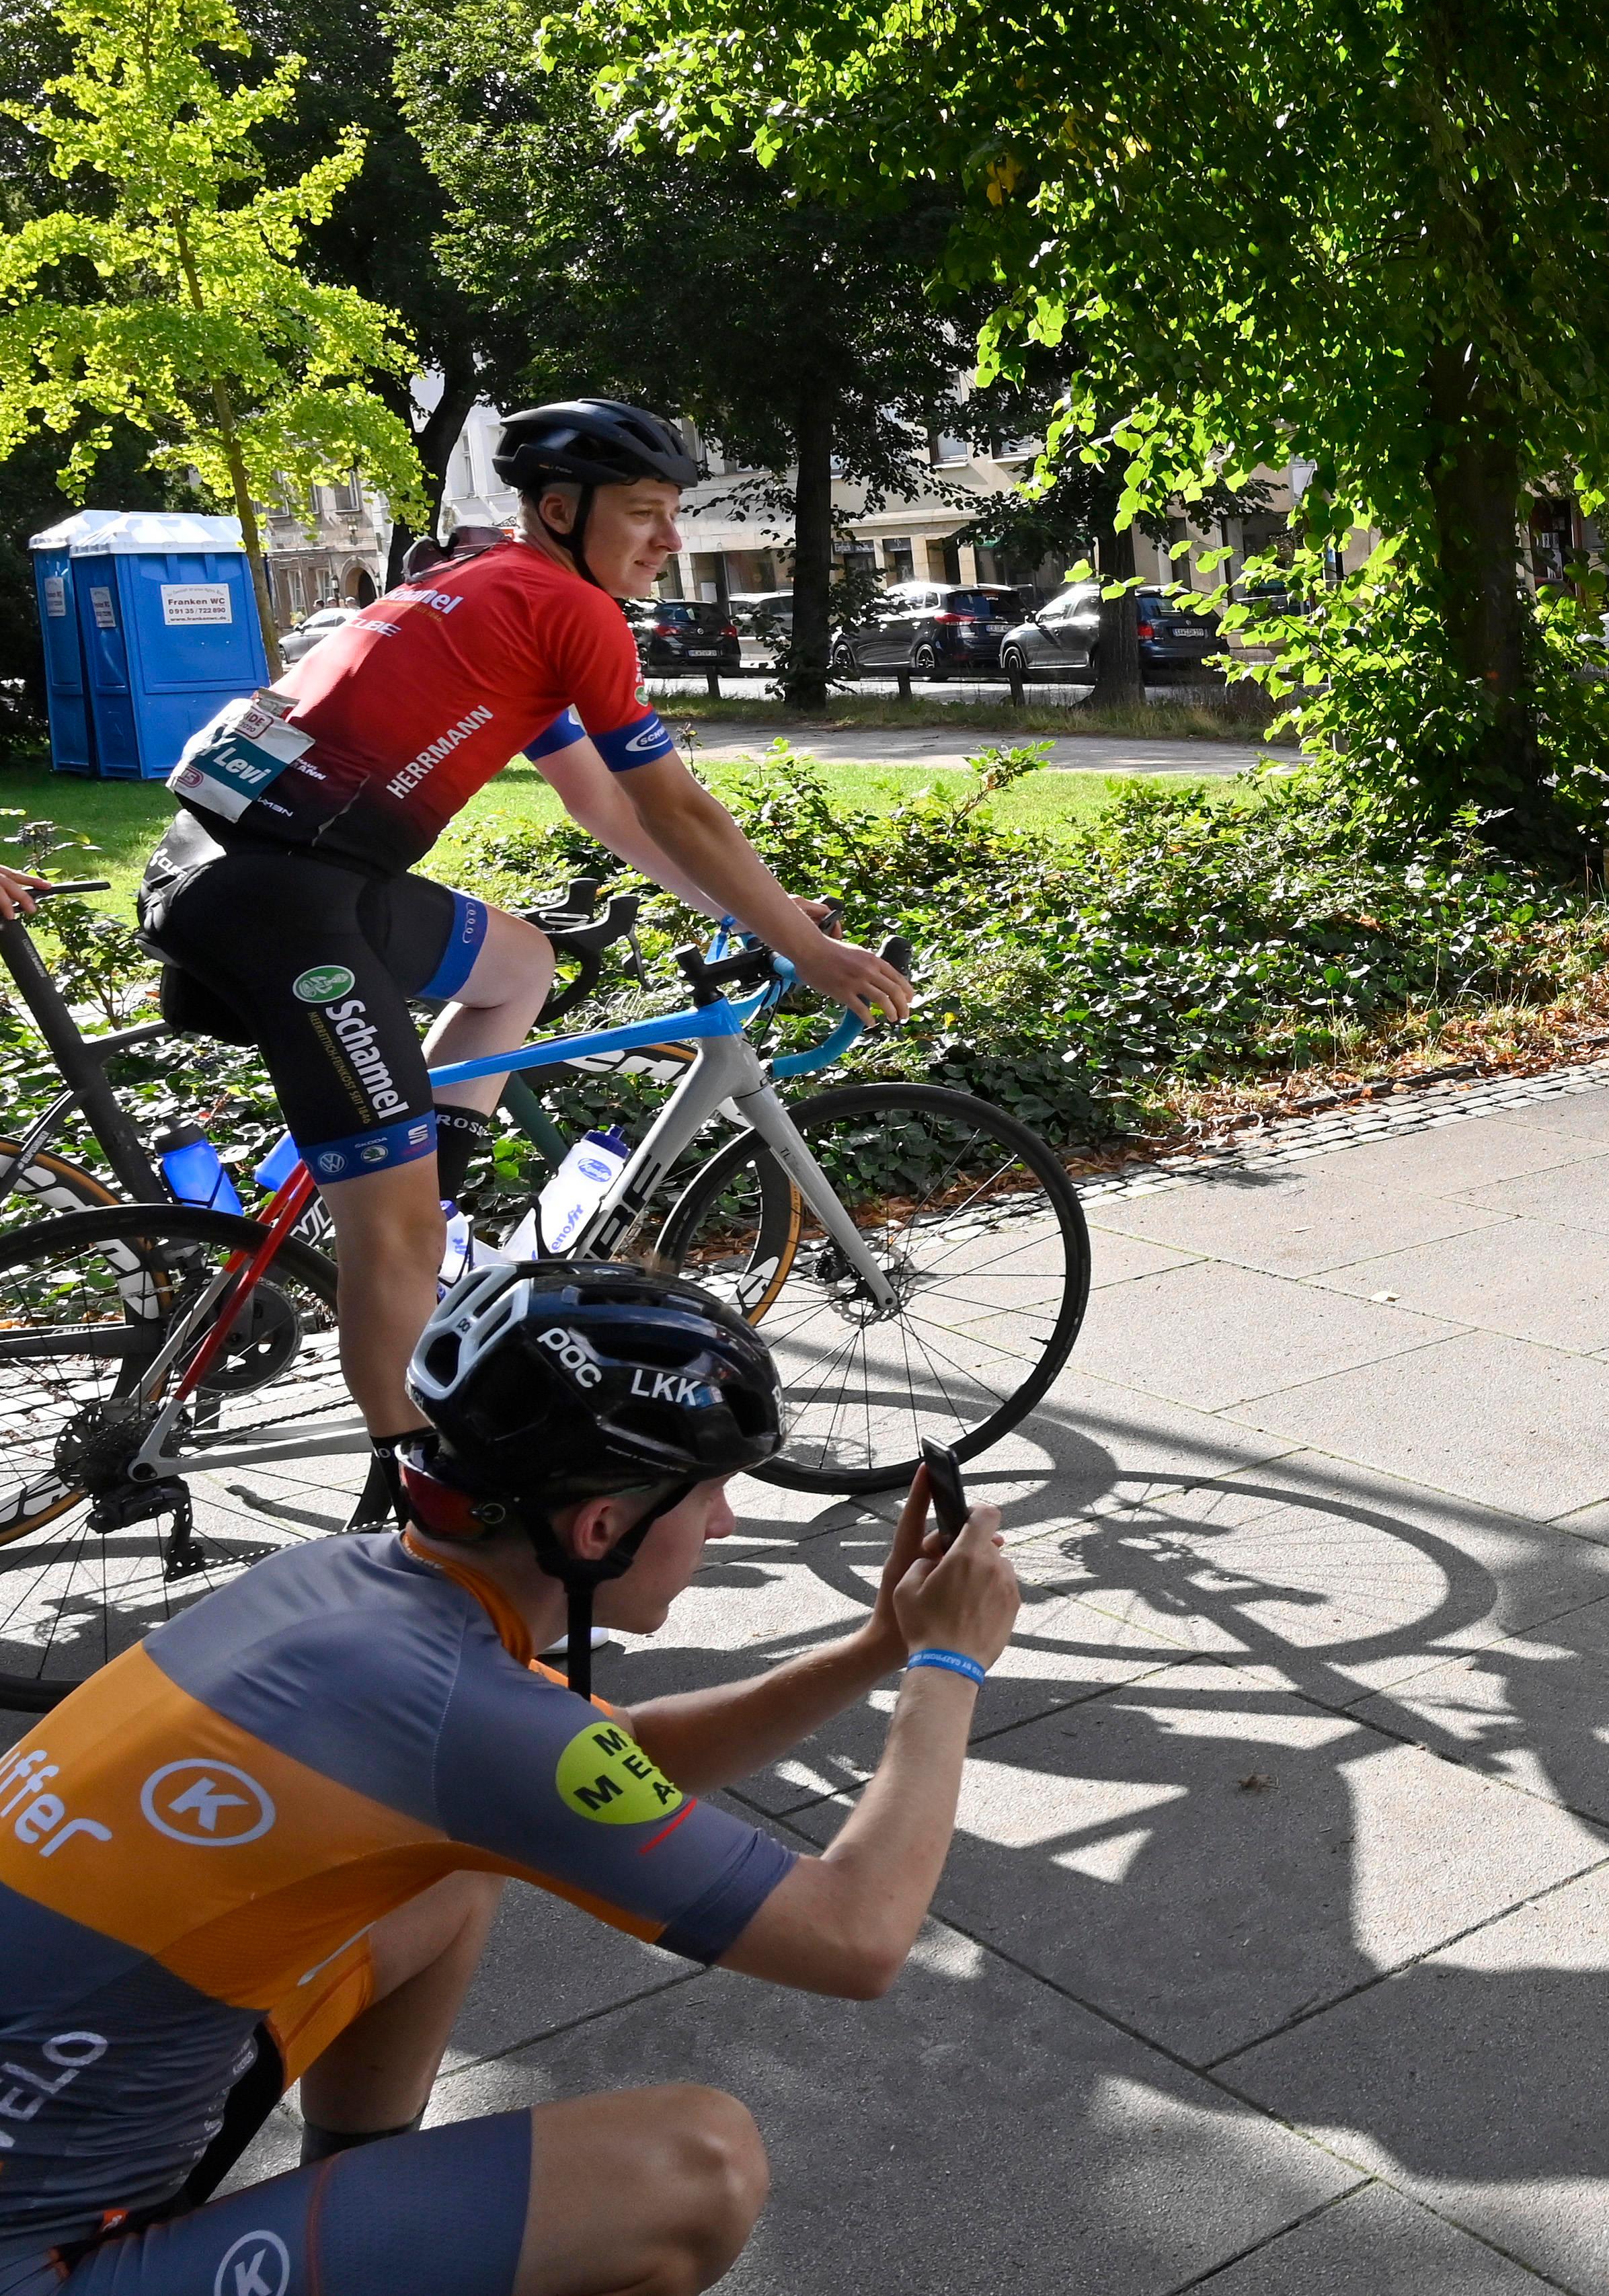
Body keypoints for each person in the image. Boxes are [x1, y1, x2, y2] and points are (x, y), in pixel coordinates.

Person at [0, 1261, 1020, 2296]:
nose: (726, 1526)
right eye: (711, 1492)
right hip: (42, 2263)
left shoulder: (345, 1587)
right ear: (601, 1530)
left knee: (447, 1874)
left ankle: (371, 2216)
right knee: (697, 2168)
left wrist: (875, 1646)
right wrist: (950, 1666)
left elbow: (615, 1763)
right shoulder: (464, 1714)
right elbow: (856, 1937)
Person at [136, 399, 914, 1447]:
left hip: (256, 867)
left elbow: (603, 801)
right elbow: (676, 804)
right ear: (559, 508)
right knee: (396, 1237)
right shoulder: (568, 610)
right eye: (644, 512)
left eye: (674, 512)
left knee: (517, 964)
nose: (669, 539)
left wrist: (753, 913)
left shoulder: (482, 592)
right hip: (285, 907)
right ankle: (419, 1510)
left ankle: (425, 1180)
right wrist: (810, 951)